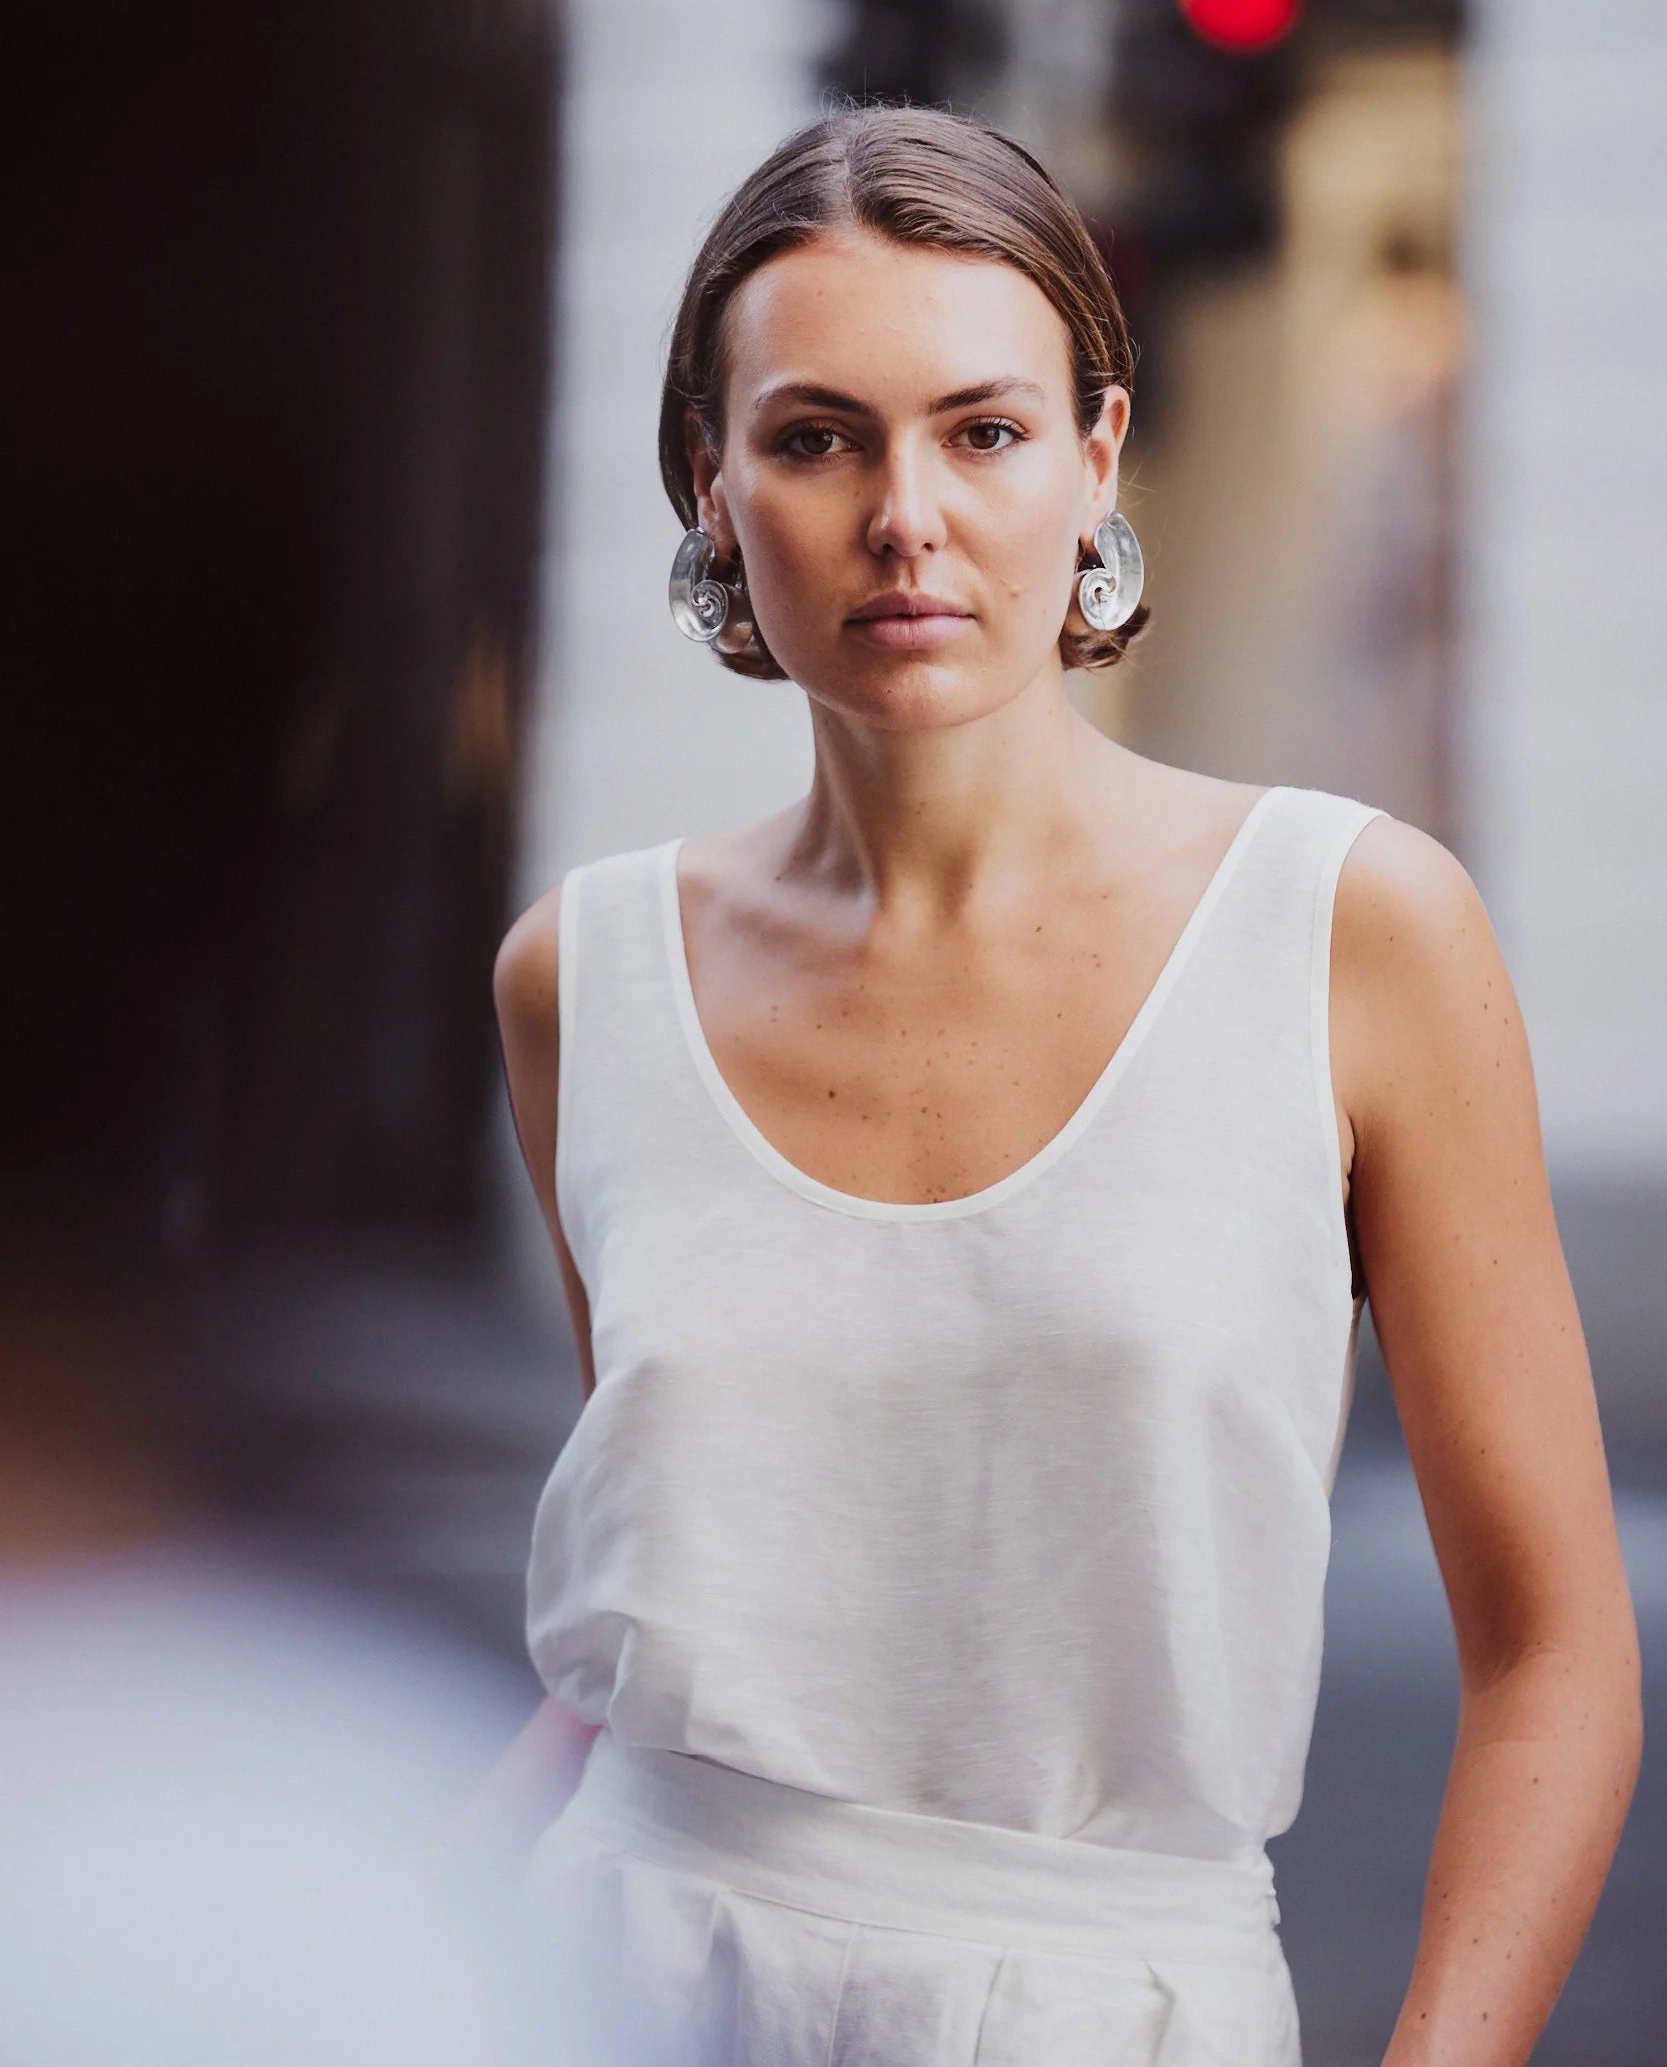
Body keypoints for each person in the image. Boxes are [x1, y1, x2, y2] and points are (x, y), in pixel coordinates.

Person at [487, 105, 1641, 2066]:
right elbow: (663, 1609)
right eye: (814, 432)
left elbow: (1556, 1651)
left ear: (1097, 452)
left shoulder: (1354, 929)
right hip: (610, 1974)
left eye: (983, 428)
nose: (903, 513)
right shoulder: (579, 973)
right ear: (710, 478)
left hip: (1117, 1999)